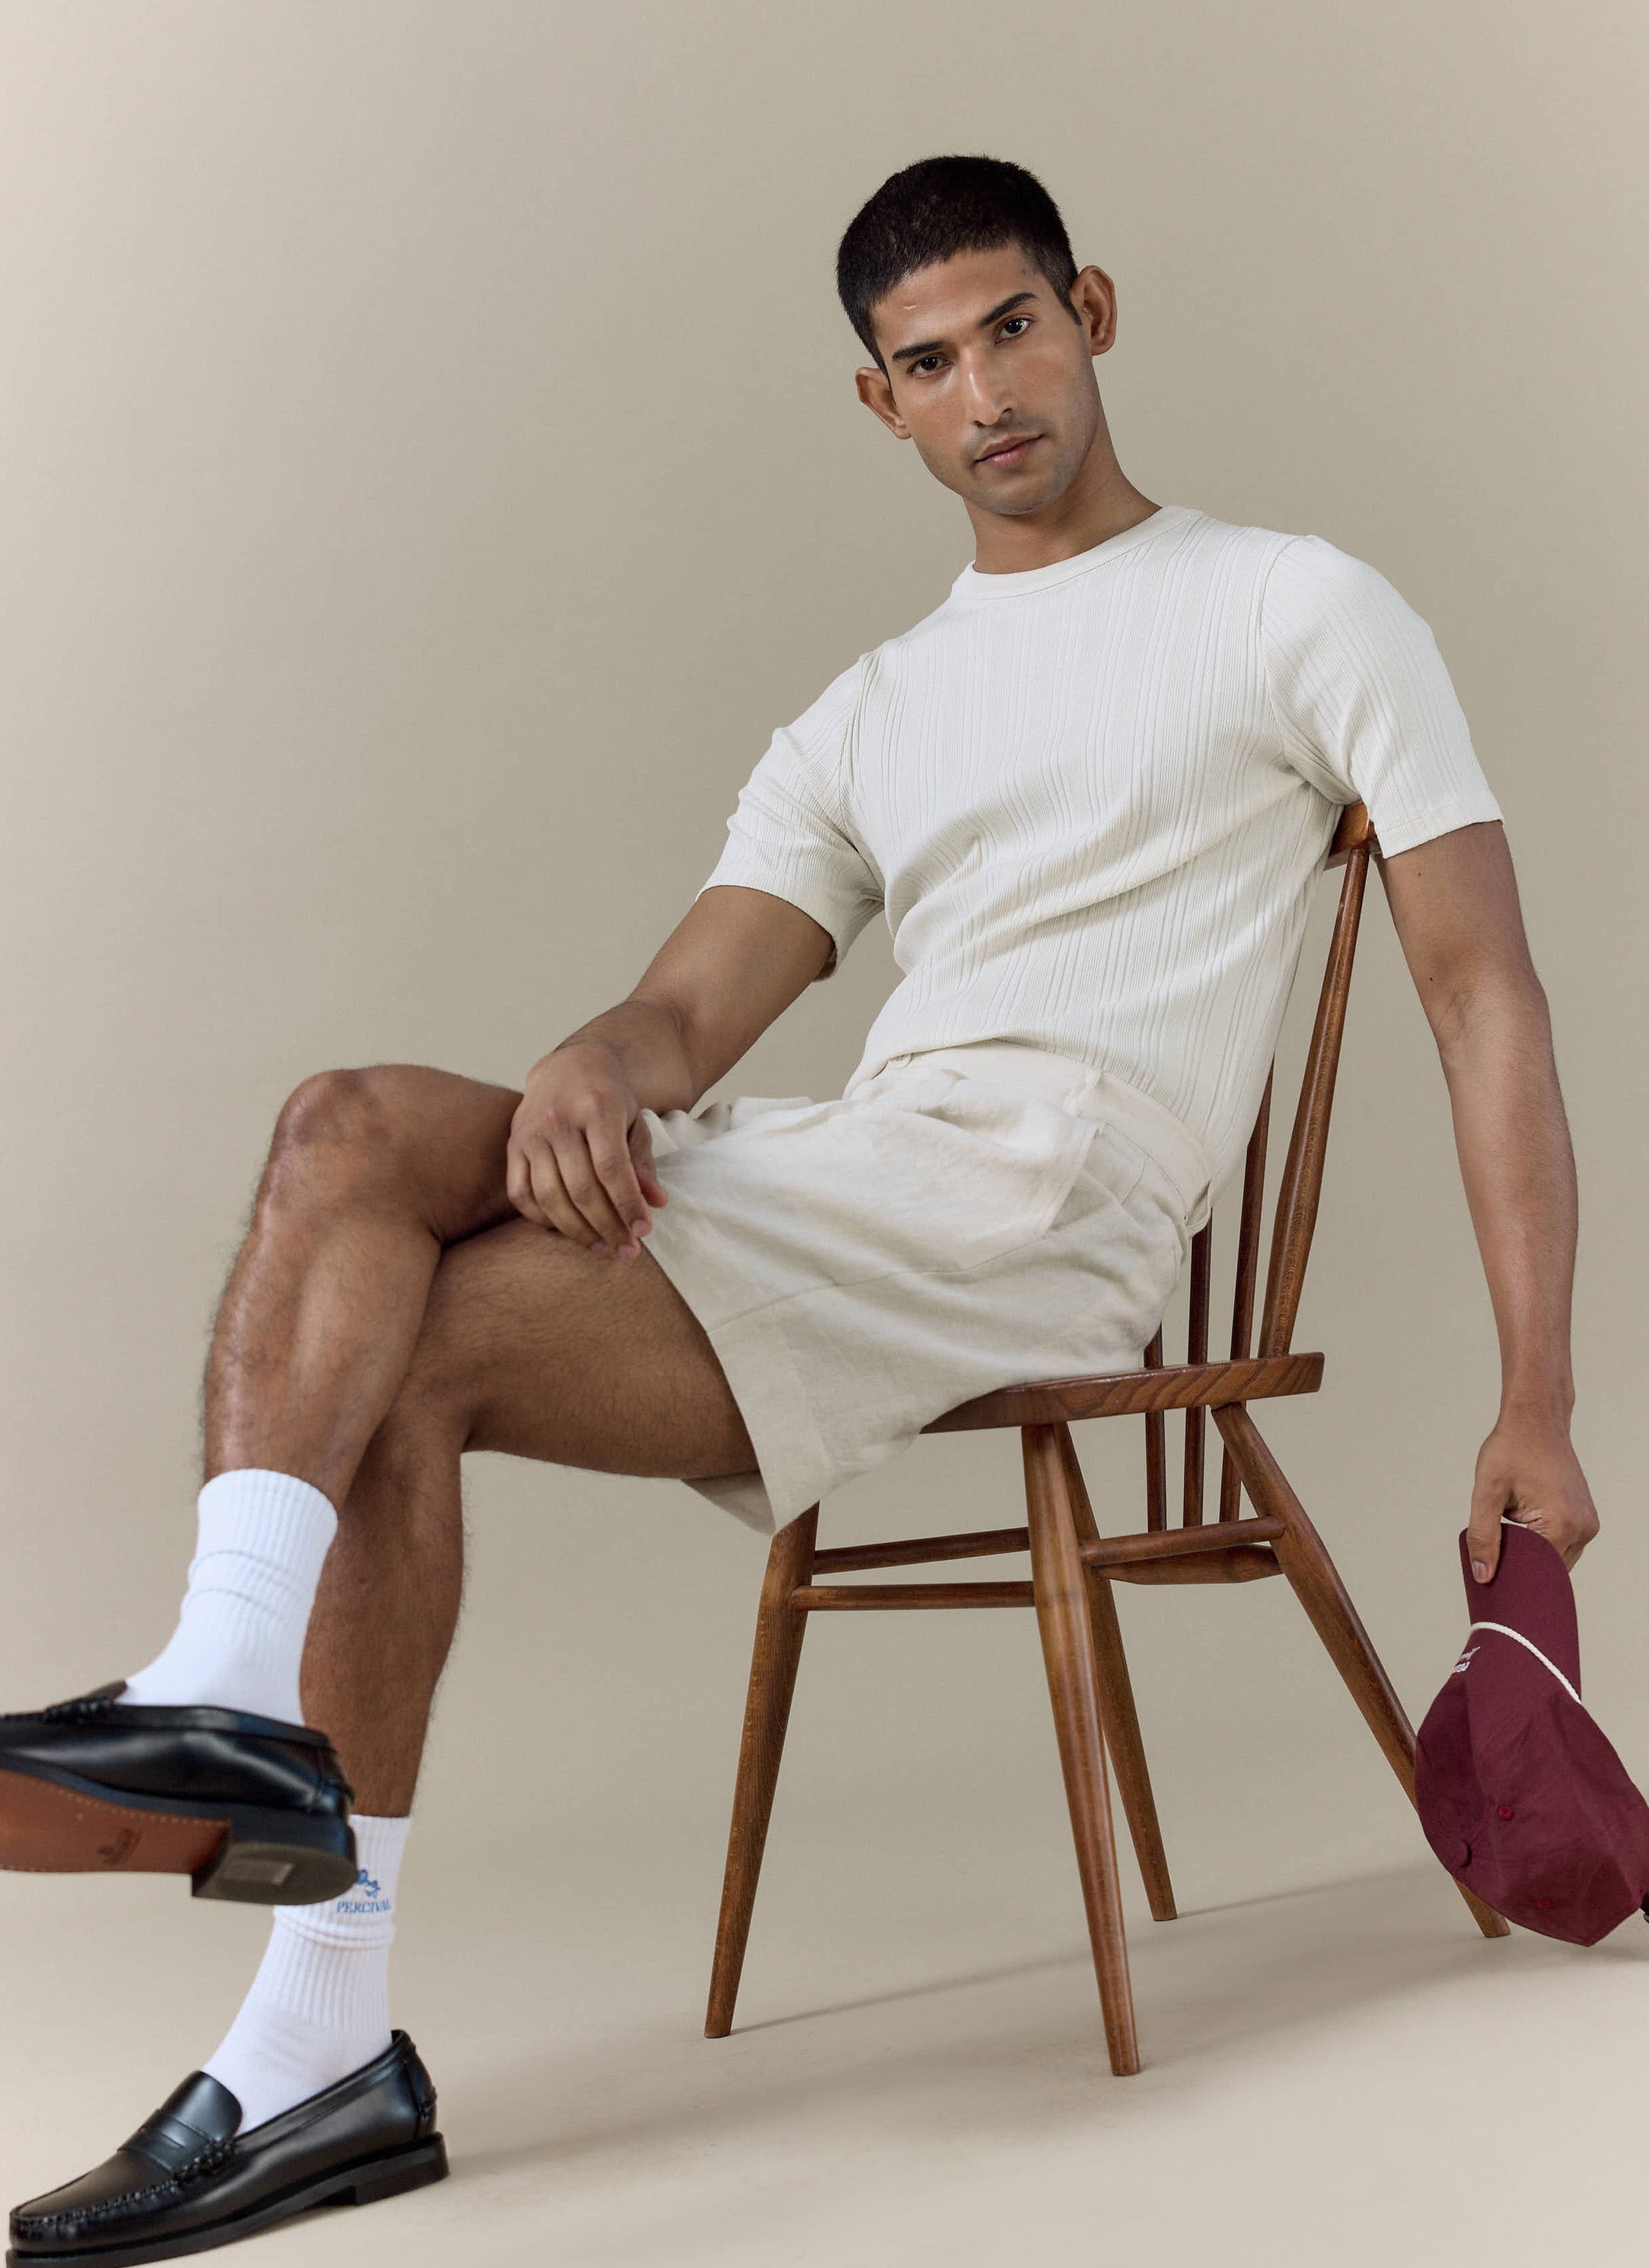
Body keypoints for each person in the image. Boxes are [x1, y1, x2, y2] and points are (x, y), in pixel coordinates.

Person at [2, 153, 1598, 2262]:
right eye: (926, 362)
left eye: (1011, 328)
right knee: (345, 1148)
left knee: (388, 1292)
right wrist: (595, 1060)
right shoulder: (869, 713)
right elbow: (682, 1008)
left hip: (1050, 1213)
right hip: (853, 1171)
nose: (984, 391)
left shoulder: (1293, 602)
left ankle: (278, 1904)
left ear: (1090, 310)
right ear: (882, 406)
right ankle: (286, 1913)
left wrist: (1536, 1394)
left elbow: (1476, 988)